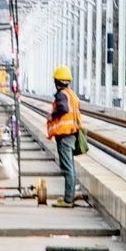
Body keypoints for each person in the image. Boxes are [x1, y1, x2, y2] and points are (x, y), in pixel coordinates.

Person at [47, 65, 82, 208]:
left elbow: (63, 108)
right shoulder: (71, 94)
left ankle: (68, 199)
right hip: (72, 133)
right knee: (70, 167)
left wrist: (52, 115)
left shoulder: (62, 95)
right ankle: (70, 195)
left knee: (67, 167)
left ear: (56, 81)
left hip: (65, 134)